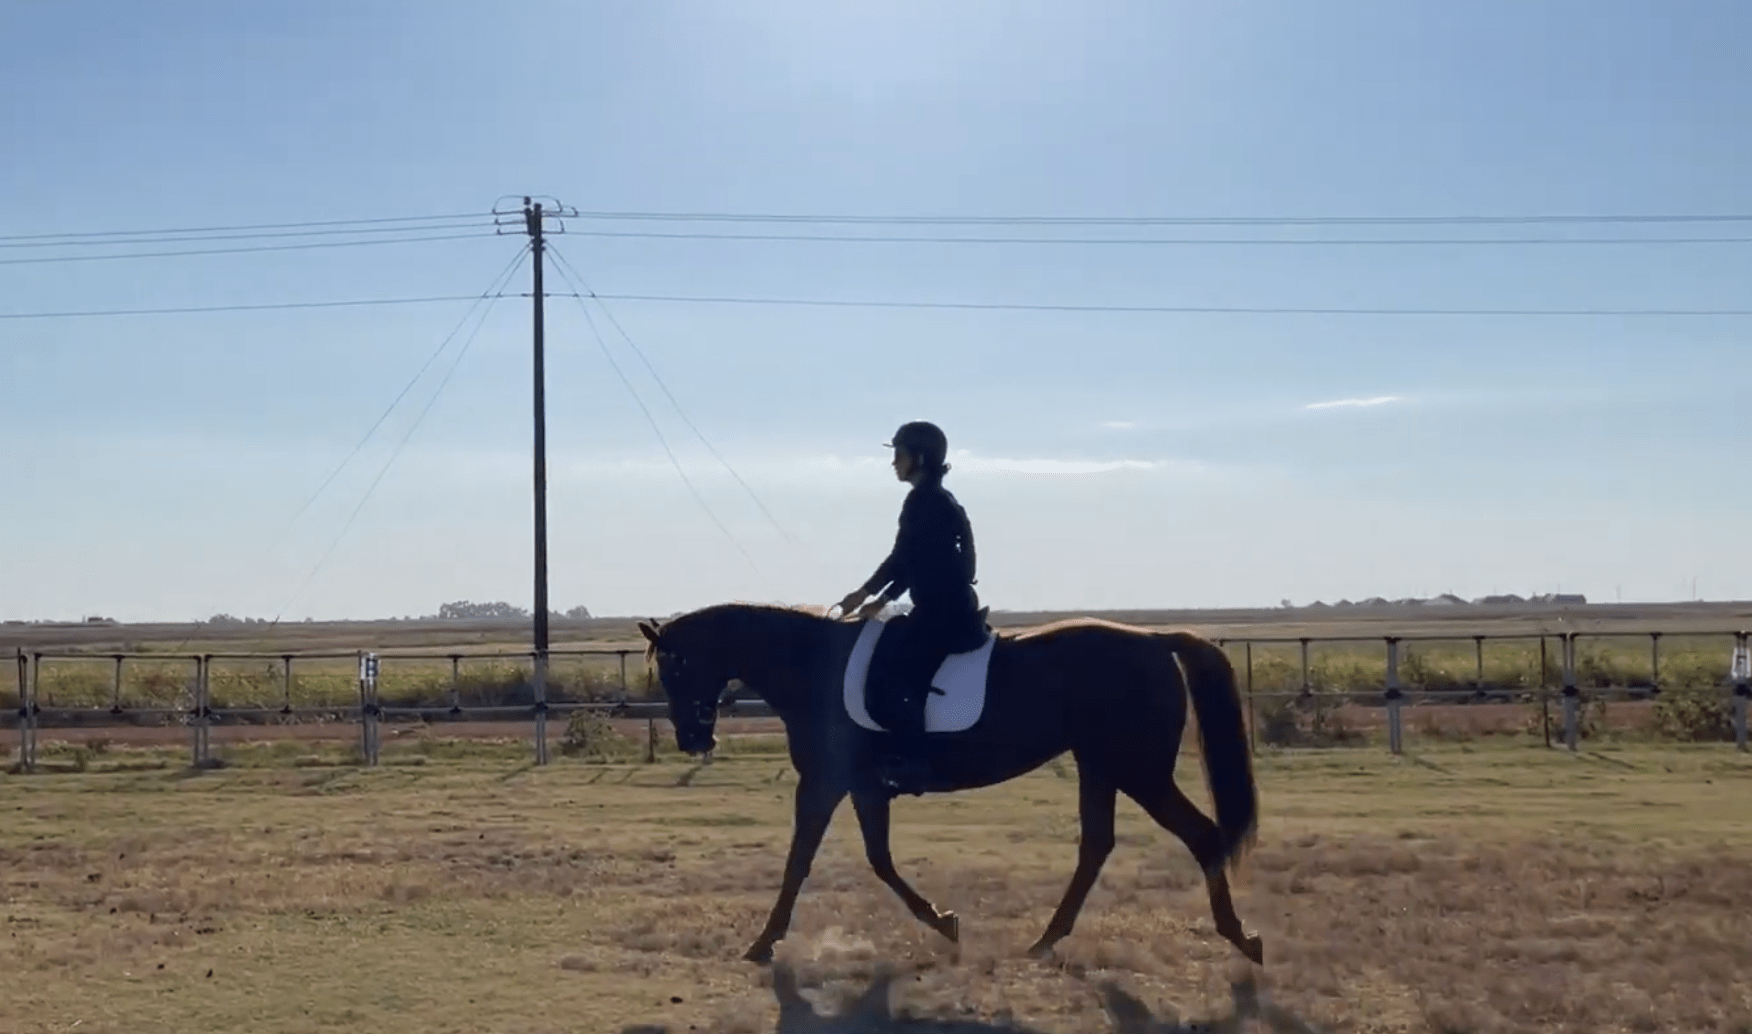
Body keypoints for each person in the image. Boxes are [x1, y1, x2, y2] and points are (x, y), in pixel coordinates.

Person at [837, 420, 988, 794]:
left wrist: (874, 596)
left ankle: (916, 762)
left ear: (918, 458)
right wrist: (871, 598)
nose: (894, 464)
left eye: (899, 456)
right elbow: (911, 562)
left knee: (895, 675)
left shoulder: (925, 501)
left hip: (943, 612)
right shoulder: (933, 498)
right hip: (942, 606)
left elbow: (904, 559)